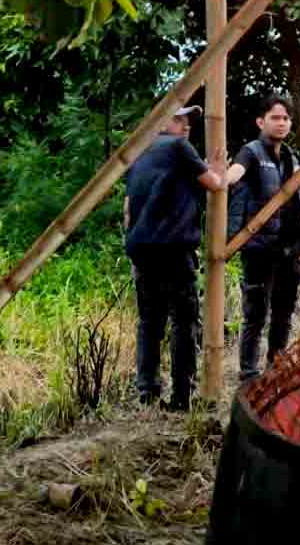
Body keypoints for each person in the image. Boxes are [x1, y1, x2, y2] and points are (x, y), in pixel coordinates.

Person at [125, 105, 225, 411]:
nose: (186, 127)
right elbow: (214, 184)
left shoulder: (137, 154)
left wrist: (129, 243)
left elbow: (128, 207)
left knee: (150, 320)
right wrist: (219, 170)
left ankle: (147, 392)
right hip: (174, 247)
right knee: (184, 320)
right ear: (160, 123)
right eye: (179, 120)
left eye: (188, 122)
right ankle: (183, 395)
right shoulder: (179, 147)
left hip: (141, 246)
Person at [226, 96, 300, 381]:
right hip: (257, 245)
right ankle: (249, 374)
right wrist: (218, 174)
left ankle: (276, 368)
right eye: (275, 118)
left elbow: (299, 198)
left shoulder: (291, 157)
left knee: (284, 311)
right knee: (255, 312)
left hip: (289, 245)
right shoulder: (250, 153)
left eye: (286, 119)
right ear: (260, 122)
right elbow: (231, 177)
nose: (281, 123)